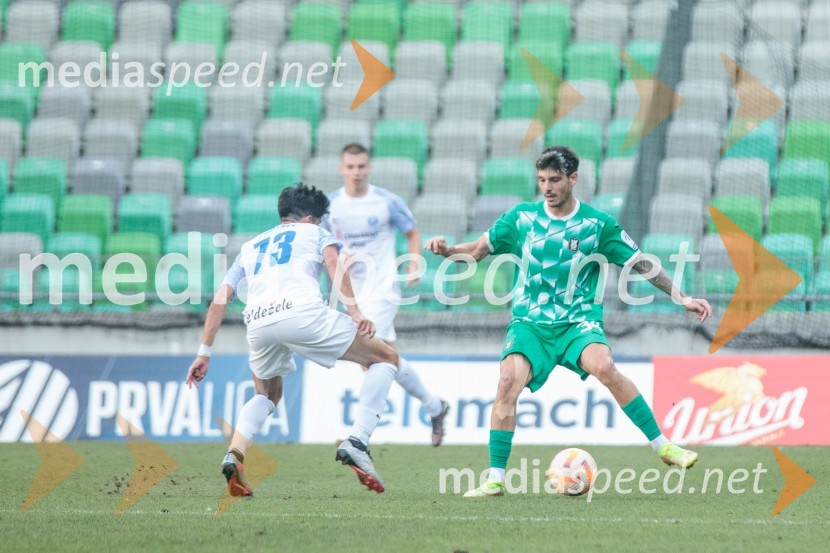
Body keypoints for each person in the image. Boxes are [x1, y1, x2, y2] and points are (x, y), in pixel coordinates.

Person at [425, 146, 713, 497]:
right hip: (530, 323)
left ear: (573, 179)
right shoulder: (521, 219)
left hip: (577, 322)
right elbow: (475, 251)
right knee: (505, 383)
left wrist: (681, 297)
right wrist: (447, 250)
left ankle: (663, 446)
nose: (547, 187)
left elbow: (641, 263)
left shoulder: (597, 224)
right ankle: (496, 478)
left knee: (605, 366)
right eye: (542, 180)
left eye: (555, 180)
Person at [185, 183, 401, 495]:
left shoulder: (251, 246)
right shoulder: (315, 233)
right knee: (386, 358)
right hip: (302, 315)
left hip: (258, 323)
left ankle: (234, 452)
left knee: (267, 394)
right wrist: (354, 311)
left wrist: (204, 352)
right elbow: (332, 263)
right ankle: (358, 441)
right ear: (311, 217)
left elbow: (221, 299)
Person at [324, 143, 449, 446]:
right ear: (342, 169)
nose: (356, 172)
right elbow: (323, 247)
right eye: (350, 167)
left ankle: (358, 436)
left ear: (369, 168)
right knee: (384, 358)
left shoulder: (385, 201)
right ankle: (435, 406)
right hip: (349, 291)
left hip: (382, 287)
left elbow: (412, 231)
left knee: (370, 357)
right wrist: (338, 262)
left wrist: (415, 262)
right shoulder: (330, 206)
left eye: (361, 166)